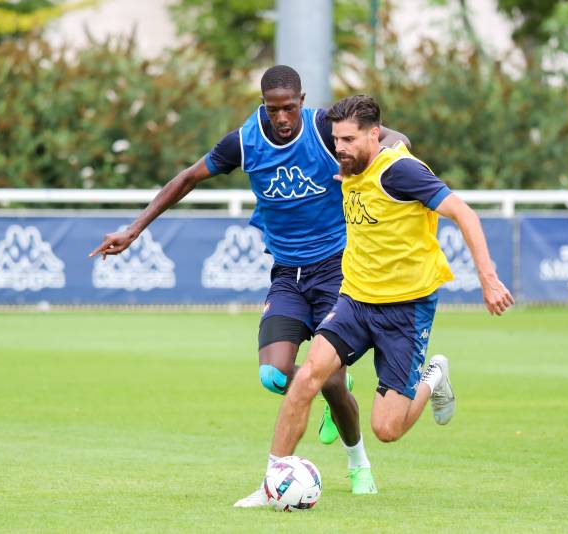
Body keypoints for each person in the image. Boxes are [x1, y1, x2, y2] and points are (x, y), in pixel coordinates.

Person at [89, 66, 410, 507]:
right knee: (274, 375)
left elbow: (391, 138)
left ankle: (358, 465)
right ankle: (329, 388)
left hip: (338, 269)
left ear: (302, 99)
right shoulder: (244, 141)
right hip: (286, 275)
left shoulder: (321, 128)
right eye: (273, 109)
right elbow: (187, 177)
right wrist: (135, 228)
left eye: (289, 107)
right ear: (264, 104)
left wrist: (384, 165)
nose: (282, 118)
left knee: (328, 375)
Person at [268, 95, 514, 470]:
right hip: (354, 300)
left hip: (406, 309)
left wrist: (489, 279)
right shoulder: (348, 165)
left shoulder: (400, 172)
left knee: (386, 428)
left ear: (374, 135)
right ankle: (273, 479)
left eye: (349, 140)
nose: (340, 148)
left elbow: (463, 213)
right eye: (336, 139)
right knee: (306, 379)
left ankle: (433, 376)